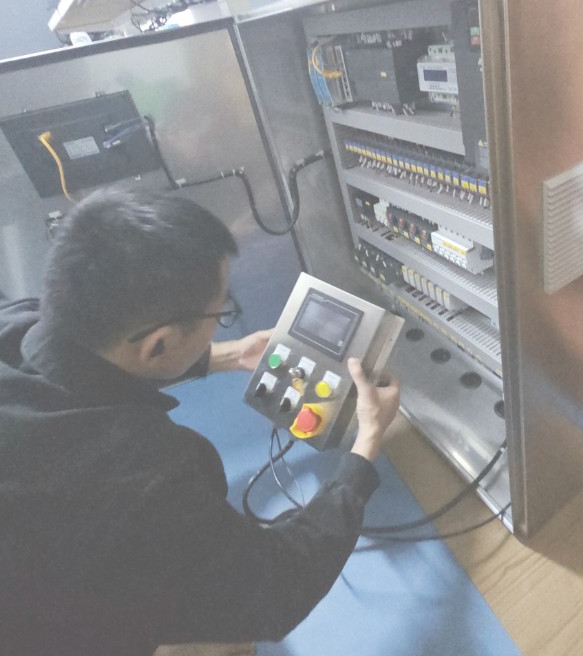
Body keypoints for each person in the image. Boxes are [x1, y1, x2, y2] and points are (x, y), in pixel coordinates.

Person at [0, 188, 403, 654]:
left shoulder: (17, 321)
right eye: (220, 313)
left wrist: (227, 354)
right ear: (159, 343)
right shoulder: (146, 473)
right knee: (228, 641)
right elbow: (276, 589)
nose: (220, 322)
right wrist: (365, 447)